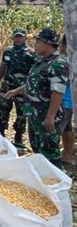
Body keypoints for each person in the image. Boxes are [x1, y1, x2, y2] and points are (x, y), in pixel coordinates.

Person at [4, 28, 69, 168]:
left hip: (46, 117)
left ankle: (56, 185)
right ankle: (42, 179)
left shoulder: (58, 63)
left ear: (49, 44)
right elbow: (33, 82)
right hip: (34, 115)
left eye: (38, 41)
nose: (35, 44)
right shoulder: (41, 61)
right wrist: (16, 91)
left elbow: (57, 92)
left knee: (49, 153)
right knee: (37, 149)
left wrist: (50, 116)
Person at [0, 28, 37, 145]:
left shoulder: (31, 53)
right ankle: (0, 134)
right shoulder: (8, 51)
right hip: (7, 87)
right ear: (12, 37)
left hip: (22, 89)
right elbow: (3, 66)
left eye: (20, 37)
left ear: (25, 38)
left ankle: (18, 137)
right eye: (16, 36)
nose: (18, 39)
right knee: (2, 111)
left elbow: (34, 72)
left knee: (21, 114)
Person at [58, 35, 74, 165]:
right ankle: (67, 155)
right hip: (70, 102)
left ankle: (53, 160)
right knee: (67, 128)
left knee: (55, 131)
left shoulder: (64, 62)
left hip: (64, 101)